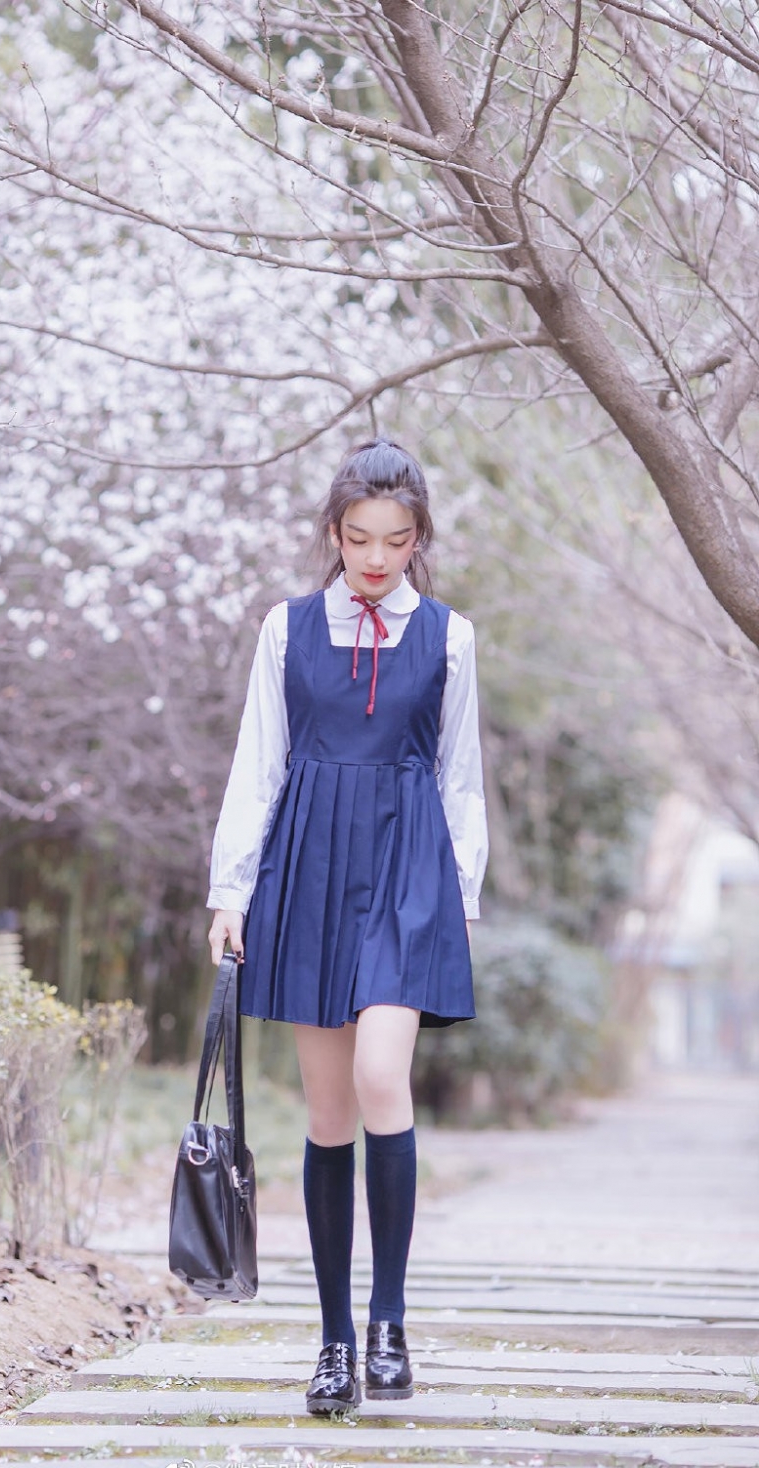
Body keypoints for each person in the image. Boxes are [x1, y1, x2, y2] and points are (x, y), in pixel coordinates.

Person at [207, 438, 488, 1414]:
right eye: (360, 538)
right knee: (328, 1115)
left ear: (418, 540)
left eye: (396, 540)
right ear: (334, 534)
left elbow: (458, 776)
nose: (376, 558)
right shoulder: (286, 630)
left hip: (410, 872)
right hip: (311, 867)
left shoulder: (447, 636)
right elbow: (258, 763)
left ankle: (390, 1320)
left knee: (381, 1078)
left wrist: (464, 899)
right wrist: (229, 889)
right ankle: (333, 1341)